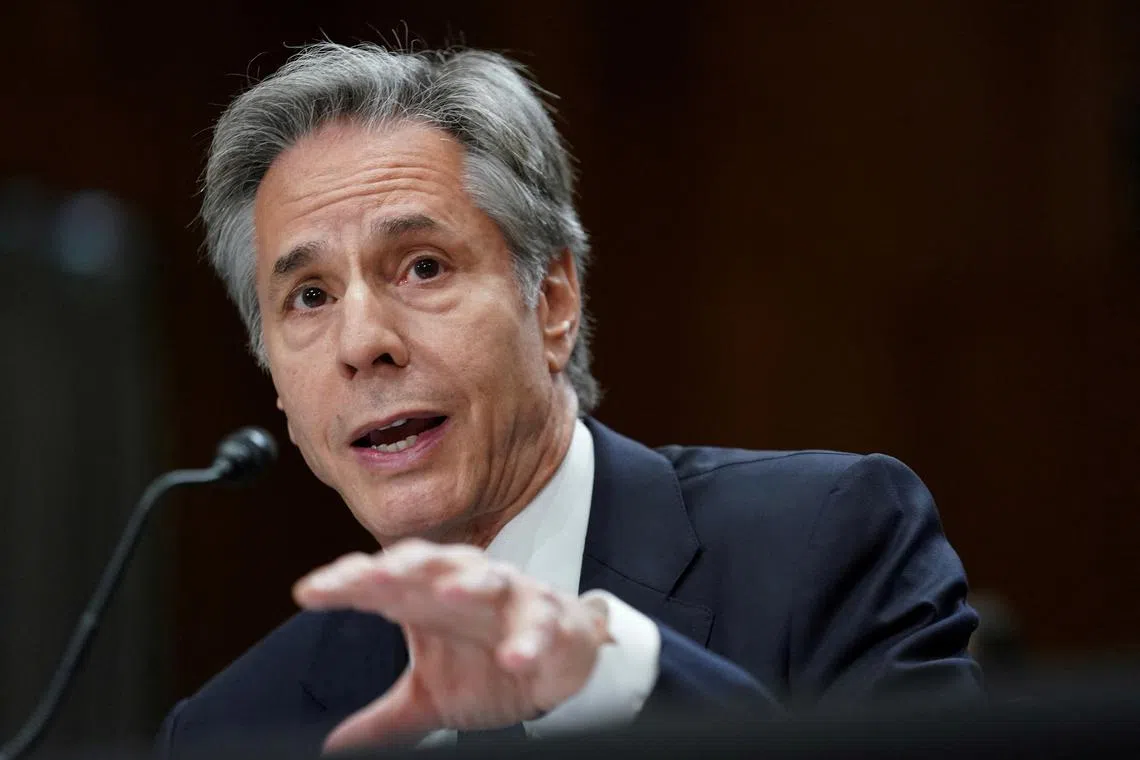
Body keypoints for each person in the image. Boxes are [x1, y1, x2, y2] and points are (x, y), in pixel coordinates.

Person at [156, 42, 981, 758]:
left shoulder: (824, 546)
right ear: (274, 380)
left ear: (551, 301)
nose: (362, 342)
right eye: (309, 296)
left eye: (423, 267)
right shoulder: (234, 729)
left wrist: (613, 676)